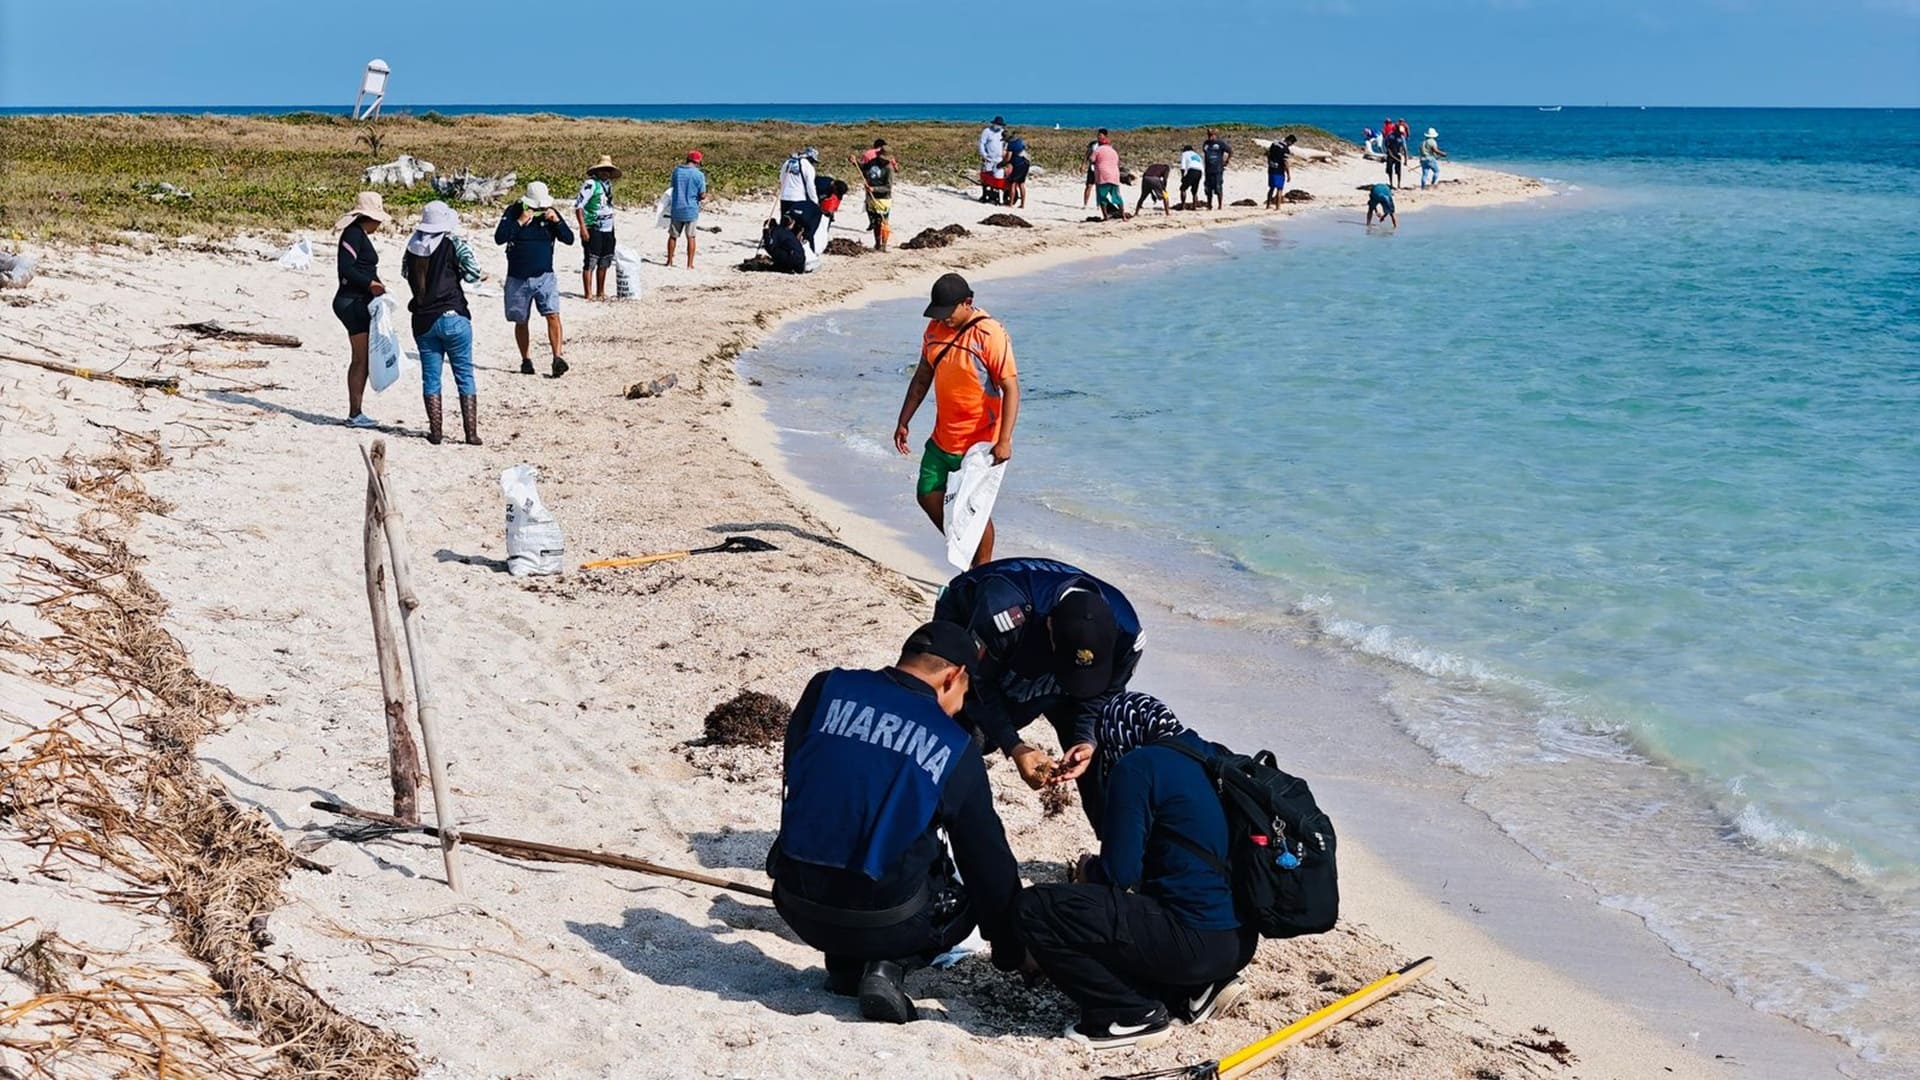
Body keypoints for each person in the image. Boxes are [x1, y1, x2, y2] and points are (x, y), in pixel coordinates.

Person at [766, 621, 1028, 1024]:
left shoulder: (824, 688)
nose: (962, 704)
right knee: (968, 888)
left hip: (794, 901)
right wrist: (1011, 948)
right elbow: (986, 859)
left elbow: (799, 771)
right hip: (887, 922)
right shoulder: (954, 745)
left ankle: (845, 964)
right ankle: (889, 965)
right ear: (953, 677)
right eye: (965, 692)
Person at [1018, 693, 1256, 1049]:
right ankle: (1196, 990)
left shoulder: (1138, 766)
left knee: (1034, 907)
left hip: (1195, 944)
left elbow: (1118, 874)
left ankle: (1128, 1014)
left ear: (1118, 738)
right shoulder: (1212, 754)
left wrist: (1088, 871)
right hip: (1239, 942)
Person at [931, 557, 1143, 826]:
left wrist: (1086, 738)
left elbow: (1104, 697)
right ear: (1050, 627)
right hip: (972, 630)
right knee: (961, 735)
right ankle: (934, 824)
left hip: (1041, 649)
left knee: (1105, 748)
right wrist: (1015, 746)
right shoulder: (1005, 613)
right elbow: (975, 686)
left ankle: (1117, 856)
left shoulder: (1128, 634)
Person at [892, 273, 1020, 565]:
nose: (943, 319)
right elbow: (923, 376)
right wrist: (904, 419)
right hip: (943, 436)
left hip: (980, 442)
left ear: (967, 303)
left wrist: (1004, 441)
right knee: (926, 494)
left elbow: (1011, 387)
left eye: (948, 312)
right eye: (938, 313)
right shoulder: (934, 330)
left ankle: (981, 570)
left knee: (972, 509)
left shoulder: (989, 335)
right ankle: (962, 544)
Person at [401, 201, 484, 445]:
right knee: (465, 375)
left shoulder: (412, 247)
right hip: (453, 315)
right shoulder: (454, 244)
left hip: (423, 319)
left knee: (431, 378)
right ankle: (471, 434)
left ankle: (436, 433)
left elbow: (407, 274)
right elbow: (473, 273)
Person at [494, 181, 574, 377]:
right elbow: (499, 237)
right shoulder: (513, 211)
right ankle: (526, 360)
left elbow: (569, 239)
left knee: (553, 314)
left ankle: (557, 357)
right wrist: (520, 221)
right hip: (518, 278)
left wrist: (557, 222)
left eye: (542, 206)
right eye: (536, 207)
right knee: (521, 320)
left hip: (545, 275)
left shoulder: (550, 212)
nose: (539, 209)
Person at [331, 191, 389, 428]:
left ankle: (356, 412)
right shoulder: (353, 234)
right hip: (351, 301)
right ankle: (355, 413)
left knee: (361, 358)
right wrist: (370, 284)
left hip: (356, 300)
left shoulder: (358, 234)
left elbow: (362, 266)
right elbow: (346, 268)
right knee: (360, 359)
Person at [573, 155, 619, 302]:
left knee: (605, 260)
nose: (606, 173)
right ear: (597, 171)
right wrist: (583, 227)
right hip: (593, 226)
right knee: (590, 260)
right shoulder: (590, 184)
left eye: (608, 170)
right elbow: (579, 206)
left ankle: (600, 291)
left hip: (608, 227)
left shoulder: (608, 185)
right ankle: (588, 293)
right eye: (603, 170)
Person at [664, 150, 708, 269]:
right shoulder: (699, 175)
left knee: (673, 236)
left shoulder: (677, 171)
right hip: (691, 209)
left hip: (677, 207)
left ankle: (669, 261)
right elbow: (702, 194)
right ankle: (689, 264)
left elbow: (672, 187)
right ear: (698, 161)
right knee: (691, 237)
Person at [853, 140, 897, 252]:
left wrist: (874, 188)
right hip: (871, 196)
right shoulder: (873, 161)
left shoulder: (889, 168)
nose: (883, 160)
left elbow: (888, 187)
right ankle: (877, 244)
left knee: (883, 221)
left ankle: (884, 245)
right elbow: (863, 168)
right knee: (875, 221)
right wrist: (855, 162)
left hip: (883, 198)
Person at [778, 147, 823, 245]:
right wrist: (814, 202)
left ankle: (781, 242)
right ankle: (795, 244)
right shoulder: (808, 166)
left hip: (784, 197)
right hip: (798, 198)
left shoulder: (787, 162)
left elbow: (781, 178)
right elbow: (810, 185)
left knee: (785, 221)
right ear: (810, 158)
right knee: (798, 224)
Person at [1090, 133, 1123, 220]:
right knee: (1117, 197)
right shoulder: (1113, 151)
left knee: (1102, 197)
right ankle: (1123, 215)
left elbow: (1091, 159)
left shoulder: (1098, 150)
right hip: (1114, 176)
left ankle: (1105, 217)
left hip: (1102, 176)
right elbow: (1118, 163)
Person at [978, 116, 1007, 204]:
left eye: (1000, 125)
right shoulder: (987, 131)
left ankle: (996, 196)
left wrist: (1004, 155)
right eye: (998, 125)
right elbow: (981, 144)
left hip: (999, 159)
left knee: (998, 178)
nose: (999, 127)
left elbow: (1005, 143)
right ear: (994, 124)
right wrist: (984, 155)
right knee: (986, 178)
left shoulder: (1002, 132)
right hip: (989, 159)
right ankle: (985, 195)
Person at [1201, 129, 1232, 210]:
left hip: (1217, 170)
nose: (1210, 137)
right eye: (1209, 135)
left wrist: (1226, 161)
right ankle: (1209, 205)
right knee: (1208, 188)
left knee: (1218, 187)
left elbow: (1230, 151)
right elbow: (1205, 152)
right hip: (1208, 170)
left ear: (1215, 135)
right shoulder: (1206, 144)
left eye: (1212, 135)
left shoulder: (1220, 143)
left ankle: (1220, 205)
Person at [1264, 134, 1296, 209]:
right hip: (1279, 170)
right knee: (1279, 189)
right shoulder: (1286, 149)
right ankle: (1278, 207)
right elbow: (1285, 162)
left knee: (1271, 188)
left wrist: (1269, 162)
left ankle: (1268, 205)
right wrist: (1288, 174)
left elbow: (1268, 153)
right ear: (1290, 142)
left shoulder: (1275, 143)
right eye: (1292, 143)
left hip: (1271, 168)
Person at [1006, 132, 1031, 209]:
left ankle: (1010, 204)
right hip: (1026, 163)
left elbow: (1008, 157)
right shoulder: (1020, 141)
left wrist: (1004, 163)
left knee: (1012, 183)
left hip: (1018, 164)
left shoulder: (1010, 144)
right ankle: (1022, 204)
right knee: (1021, 184)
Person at [1082, 135, 1103, 210]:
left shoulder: (1106, 146)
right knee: (1089, 186)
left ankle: (1099, 205)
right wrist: (1083, 165)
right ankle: (1085, 204)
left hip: (1100, 168)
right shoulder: (1093, 145)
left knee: (1099, 187)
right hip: (1092, 168)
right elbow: (1087, 155)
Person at [1382, 124, 1407, 189]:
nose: (1400, 133)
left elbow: (1404, 148)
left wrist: (1405, 159)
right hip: (1390, 154)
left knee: (1398, 170)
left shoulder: (1402, 137)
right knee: (1389, 169)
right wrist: (1388, 150)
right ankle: (1391, 183)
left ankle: (1399, 184)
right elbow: (1386, 143)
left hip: (1398, 155)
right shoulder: (1390, 135)